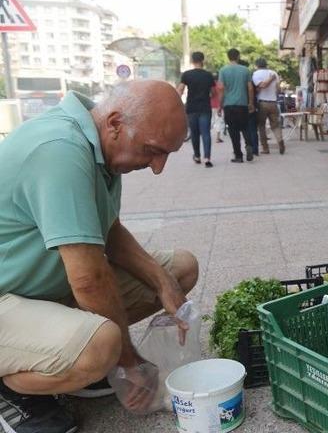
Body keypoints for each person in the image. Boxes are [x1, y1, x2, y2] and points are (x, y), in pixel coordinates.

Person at [0, 80, 199, 432]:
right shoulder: (59, 150)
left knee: (180, 269)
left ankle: (66, 358)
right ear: (115, 123)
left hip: (38, 290)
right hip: (6, 298)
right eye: (152, 151)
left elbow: (108, 230)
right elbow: (89, 279)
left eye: (167, 154)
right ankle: (12, 388)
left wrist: (162, 282)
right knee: (103, 345)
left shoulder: (98, 142)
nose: (158, 168)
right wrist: (128, 362)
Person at [177, 51, 216, 167]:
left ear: (192, 61)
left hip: (191, 108)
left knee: (194, 133)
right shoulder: (208, 75)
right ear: (203, 60)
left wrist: (178, 103)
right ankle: (207, 158)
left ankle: (197, 156)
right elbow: (213, 92)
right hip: (205, 107)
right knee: (206, 133)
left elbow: (180, 90)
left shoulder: (187, 75)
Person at [219, 49, 255, 163]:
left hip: (229, 105)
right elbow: (250, 88)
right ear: (238, 56)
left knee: (233, 131)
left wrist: (220, 105)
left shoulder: (223, 70)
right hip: (242, 104)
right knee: (245, 128)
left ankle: (238, 155)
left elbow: (221, 89)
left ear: (228, 57)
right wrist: (251, 103)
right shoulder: (245, 70)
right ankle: (249, 145)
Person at [252, 58, 285, 154]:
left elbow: (262, 86)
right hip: (273, 103)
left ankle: (265, 148)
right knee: (276, 125)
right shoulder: (273, 73)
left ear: (257, 65)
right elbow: (278, 90)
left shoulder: (255, 74)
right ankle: (280, 142)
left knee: (261, 126)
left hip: (262, 103)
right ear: (266, 64)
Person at [237, 59, 259, 157]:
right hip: (250, 105)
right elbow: (254, 91)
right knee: (252, 128)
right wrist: (251, 103)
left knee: (240, 129)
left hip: (238, 105)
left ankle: (240, 149)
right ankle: (254, 149)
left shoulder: (237, 79)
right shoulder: (250, 79)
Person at [211, 72, 225, 143]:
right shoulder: (221, 85)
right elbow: (223, 95)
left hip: (210, 105)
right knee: (219, 121)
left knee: (211, 121)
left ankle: (206, 134)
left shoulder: (210, 85)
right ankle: (217, 137)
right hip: (219, 105)